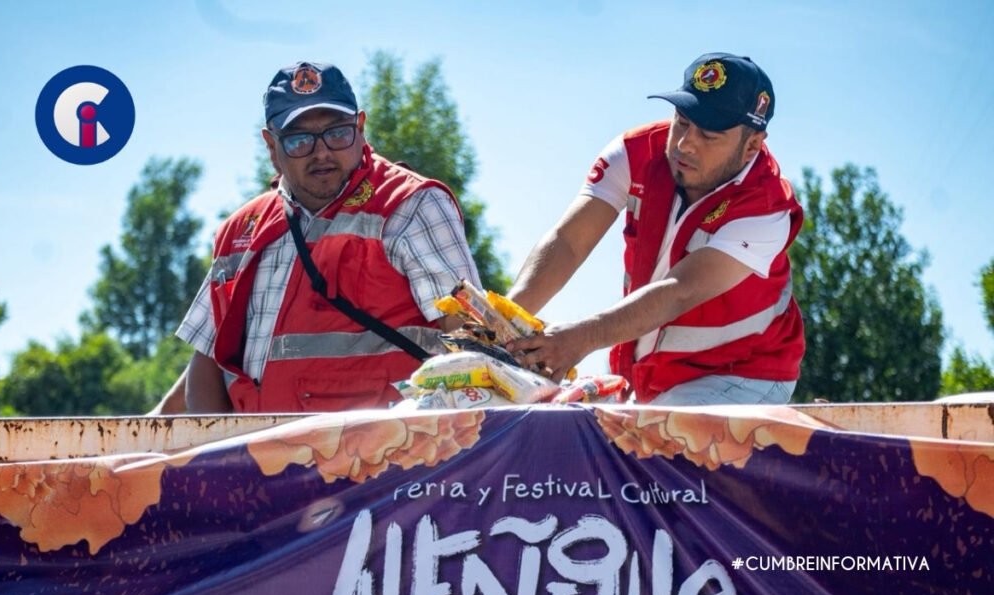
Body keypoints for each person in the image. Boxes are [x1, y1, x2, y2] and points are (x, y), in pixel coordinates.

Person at [154, 61, 481, 414]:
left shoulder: (411, 205)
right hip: (256, 459)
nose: (322, 152)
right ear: (271, 147)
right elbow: (207, 361)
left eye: (337, 132)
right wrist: (213, 458)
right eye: (299, 140)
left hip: (384, 457)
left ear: (361, 127)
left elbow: (470, 336)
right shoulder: (240, 231)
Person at [506, 53, 804, 406]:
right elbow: (570, 241)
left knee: (642, 453)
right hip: (650, 375)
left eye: (708, 134)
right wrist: (504, 321)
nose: (684, 143)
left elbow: (680, 291)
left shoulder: (768, 204)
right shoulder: (636, 152)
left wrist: (580, 338)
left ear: (752, 144)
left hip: (742, 374)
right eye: (682, 121)